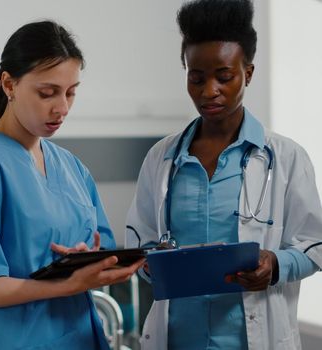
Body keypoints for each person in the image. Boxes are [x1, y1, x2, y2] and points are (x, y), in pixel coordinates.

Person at [125, 1, 322, 349]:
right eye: (196, 77)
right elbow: (139, 244)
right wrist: (152, 263)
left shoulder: (288, 157)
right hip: (177, 339)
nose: (208, 91)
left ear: (248, 72)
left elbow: (314, 246)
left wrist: (275, 264)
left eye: (224, 77)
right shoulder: (161, 159)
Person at [0, 20, 145, 350]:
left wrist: (90, 258)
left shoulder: (71, 168)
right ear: (9, 84)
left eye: (71, 92)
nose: (61, 107)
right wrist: (67, 284)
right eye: (47, 93)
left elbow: (103, 250)